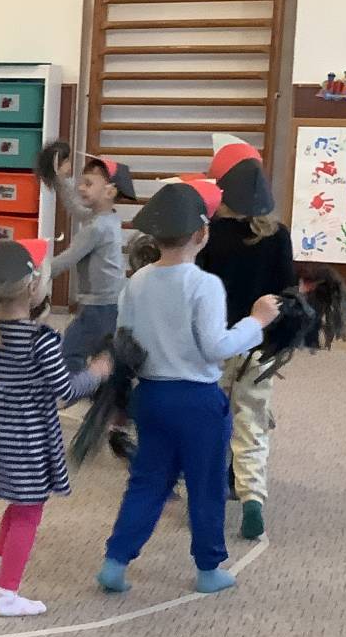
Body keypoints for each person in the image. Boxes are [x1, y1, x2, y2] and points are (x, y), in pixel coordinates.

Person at [96, 180, 280, 596]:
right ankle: (209, 568)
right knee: (206, 485)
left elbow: (125, 340)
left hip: (151, 397)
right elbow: (217, 347)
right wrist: (257, 321)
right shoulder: (204, 284)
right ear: (202, 233)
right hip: (198, 402)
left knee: (147, 482)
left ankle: (115, 561)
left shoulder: (137, 281)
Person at [0, 240, 110, 616]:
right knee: (29, 510)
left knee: (18, 502)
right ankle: (7, 594)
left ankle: (0, 561)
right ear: (33, 287)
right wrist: (95, 373)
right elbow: (65, 391)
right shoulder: (42, 340)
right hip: (27, 435)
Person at [195, 136, 294, 542]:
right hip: (258, 345)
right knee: (252, 422)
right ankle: (252, 498)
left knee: (211, 420)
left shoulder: (209, 235)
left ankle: (211, 492)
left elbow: (198, 291)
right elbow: (286, 294)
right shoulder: (278, 235)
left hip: (215, 344)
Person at [49, 150, 138, 373]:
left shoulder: (96, 228)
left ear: (110, 192)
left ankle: (72, 387)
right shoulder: (107, 218)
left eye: (88, 184)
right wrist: (61, 180)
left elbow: (67, 259)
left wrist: (34, 274)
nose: (80, 188)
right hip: (109, 302)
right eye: (81, 182)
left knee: (70, 351)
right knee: (103, 351)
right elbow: (74, 207)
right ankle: (106, 385)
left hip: (99, 306)